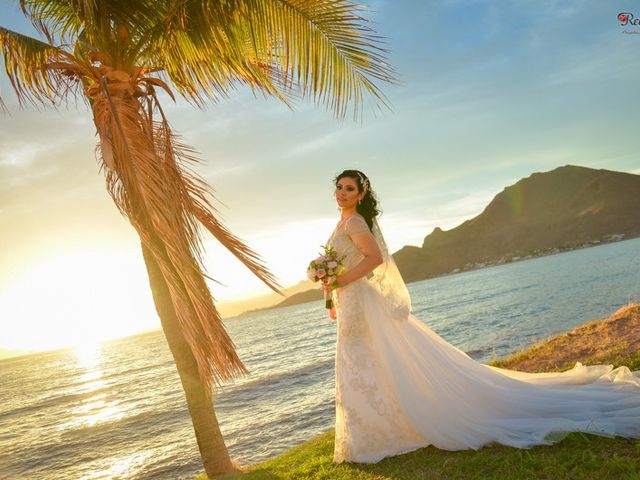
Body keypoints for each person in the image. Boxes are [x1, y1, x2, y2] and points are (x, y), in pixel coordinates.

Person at [323, 169, 640, 464]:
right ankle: (377, 427)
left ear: (361, 195)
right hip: (350, 300)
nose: (342, 192)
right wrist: (330, 290)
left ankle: (382, 431)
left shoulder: (355, 223)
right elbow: (339, 264)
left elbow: (374, 258)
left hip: (361, 301)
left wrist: (340, 280)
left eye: (349, 188)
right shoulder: (341, 223)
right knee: (365, 360)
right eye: (339, 187)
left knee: (364, 358)